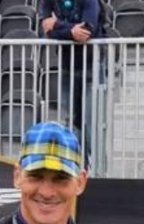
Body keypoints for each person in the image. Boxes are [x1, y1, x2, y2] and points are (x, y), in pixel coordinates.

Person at [38, 0, 101, 153]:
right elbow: (47, 31)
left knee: (92, 122)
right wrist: (71, 31)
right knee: (69, 121)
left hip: (92, 66)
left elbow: (87, 31)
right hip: (67, 66)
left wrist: (57, 25)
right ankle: (72, 164)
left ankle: (96, 168)